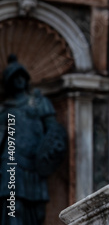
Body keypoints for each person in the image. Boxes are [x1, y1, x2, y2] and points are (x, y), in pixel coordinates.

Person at [0, 54, 67, 225]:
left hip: (35, 163)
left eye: (22, 76)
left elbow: (53, 129)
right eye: (15, 77)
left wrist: (51, 149)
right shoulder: (4, 110)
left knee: (37, 214)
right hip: (12, 162)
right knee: (13, 206)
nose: (19, 80)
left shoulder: (39, 103)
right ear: (9, 82)